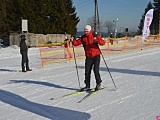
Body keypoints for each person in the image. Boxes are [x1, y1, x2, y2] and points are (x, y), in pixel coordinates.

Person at [72, 25, 105, 91]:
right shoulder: (83, 38)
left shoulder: (94, 36)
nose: (86, 32)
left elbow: (103, 43)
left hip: (96, 56)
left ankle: (98, 84)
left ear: (90, 30)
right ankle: (87, 86)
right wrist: (73, 40)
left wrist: (97, 41)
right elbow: (76, 43)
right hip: (88, 57)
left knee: (96, 70)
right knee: (87, 71)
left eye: (87, 31)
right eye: (85, 31)